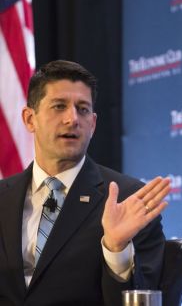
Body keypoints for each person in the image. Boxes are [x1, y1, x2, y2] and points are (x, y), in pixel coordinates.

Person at [0, 60, 170, 306]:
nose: (72, 119)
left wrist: (116, 248)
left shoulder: (130, 199)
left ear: (93, 123)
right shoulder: (3, 198)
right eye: (59, 106)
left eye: (82, 109)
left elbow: (144, 297)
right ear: (29, 119)